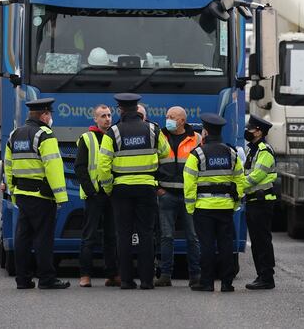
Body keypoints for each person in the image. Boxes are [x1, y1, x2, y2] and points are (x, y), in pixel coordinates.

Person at [98, 93, 170, 290]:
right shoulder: (153, 129)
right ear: (138, 109)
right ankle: (147, 281)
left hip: (121, 189)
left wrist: (108, 187)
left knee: (123, 234)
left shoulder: (113, 132)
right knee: (147, 234)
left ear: (120, 110)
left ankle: (127, 280)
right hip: (147, 187)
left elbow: (103, 165)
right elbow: (165, 152)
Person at [3, 98, 70, 290]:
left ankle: (22, 279)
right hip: (42, 196)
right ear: (45, 115)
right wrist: (61, 196)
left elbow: (8, 166)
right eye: (50, 115)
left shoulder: (15, 135)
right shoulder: (45, 135)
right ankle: (47, 279)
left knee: (23, 237)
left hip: (22, 194)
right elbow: (53, 167)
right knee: (43, 238)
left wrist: (13, 190)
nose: (51, 119)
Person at [184, 113, 247, 292]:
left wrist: (190, 207)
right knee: (226, 245)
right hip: (226, 207)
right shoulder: (231, 153)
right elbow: (239, 180)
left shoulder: (197, 154)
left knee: (206, 245)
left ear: (204, 132)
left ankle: (207, 282)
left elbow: (190, 182)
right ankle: (227, 283)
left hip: (203, 208)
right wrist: (235, 204)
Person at [155, 106, 202, 287]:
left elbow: (202, 165)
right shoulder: (159, 136)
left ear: (182, 120)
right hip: (166, 194)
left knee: (192, 236)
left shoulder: (196, 139)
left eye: (172, 117)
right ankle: (165, 275)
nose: (168, 119)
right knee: (166, 236)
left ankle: (195, 275)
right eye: (167, 116)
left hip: (188, 195)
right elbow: (151, 163)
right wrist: (157, 188)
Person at [76, 104, 119, 288]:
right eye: (103, 116)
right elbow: (80, 168)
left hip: (112, 194)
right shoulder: (87, 138)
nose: (107, 119)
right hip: (94, 195)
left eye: (109, 115)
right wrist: (91, 192)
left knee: (112, 236)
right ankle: (85, 275)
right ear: (95, 119)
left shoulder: (115, 136)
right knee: (89, 236)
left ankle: (112, 274)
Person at [243, 115, 278, 290]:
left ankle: (267, 277)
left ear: (259, 131)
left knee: (262, 241)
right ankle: (261, 276)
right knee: (257, 242)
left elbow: (256, 176)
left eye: (250, 129)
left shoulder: (264, 151)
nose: (247, 131)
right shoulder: (253, 149)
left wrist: (237, 185)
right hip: (253, 201)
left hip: (262, 202)